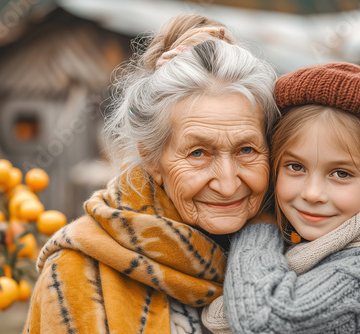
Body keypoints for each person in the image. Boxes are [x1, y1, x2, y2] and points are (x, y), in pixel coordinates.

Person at [23, 13, 279, 334]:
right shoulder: (77, 274)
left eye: (247, 150)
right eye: (198, 153)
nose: (228, 185)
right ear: (152, 158)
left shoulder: (300, 246)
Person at [202, 63, 360, 333]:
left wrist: (259, 225)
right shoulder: (296, 238)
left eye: (341, 173)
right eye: (296, 167)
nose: (313, 194)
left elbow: (264, 319)